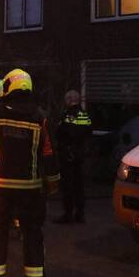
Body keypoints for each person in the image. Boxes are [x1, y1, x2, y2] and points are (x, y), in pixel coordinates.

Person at [0, 68, 57, 277]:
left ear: (8, 86)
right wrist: (53, 181)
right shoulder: (40, 117)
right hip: (31, 188)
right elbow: (48, 152)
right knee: (32, 232)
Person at [53, 90, 93, 224]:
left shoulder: (68, 115)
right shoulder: (85, 115)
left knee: (68, 185)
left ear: (69, 100)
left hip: (68, 155)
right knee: (79, 185)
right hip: (80, 155)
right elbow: (88, 132)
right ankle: (80, 213)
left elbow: (62, 132)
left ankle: (68, 213)